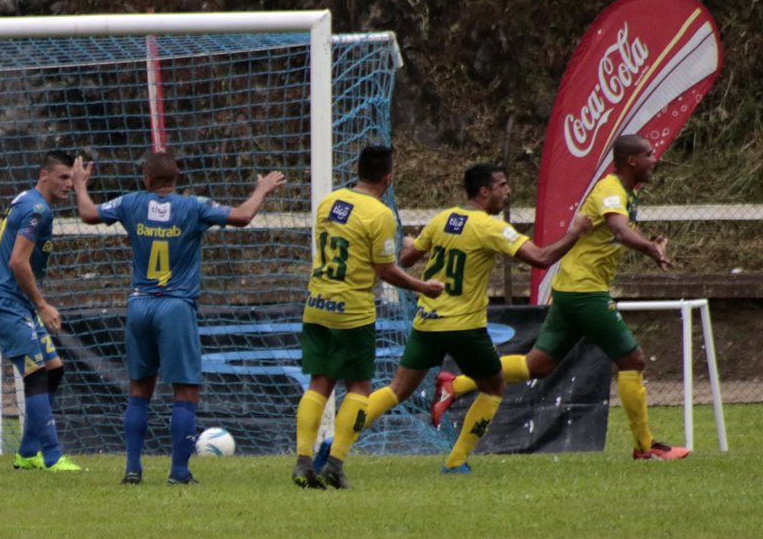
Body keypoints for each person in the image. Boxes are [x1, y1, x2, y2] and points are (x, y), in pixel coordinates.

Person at [430, 135, 690, 461]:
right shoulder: (610, 190)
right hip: (585, 291)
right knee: (632, 360)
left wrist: (649, 245)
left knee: (537, 364)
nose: (657, 159)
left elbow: (618, 233)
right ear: (632, 161)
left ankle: (457, 384)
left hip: (571, 288)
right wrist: (651, 249)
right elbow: (620, 231)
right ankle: (644, 446)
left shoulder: (624, 192)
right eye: (649, 154)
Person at [348, 162, 591, 474]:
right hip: (464, 327)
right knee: (493, 389)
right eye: (502, 185)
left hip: (427, 322)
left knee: (396, 390)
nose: (508, 191)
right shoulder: (490, 227)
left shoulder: (442, 219)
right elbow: (541, 258)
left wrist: (410, 243)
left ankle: (337, 442)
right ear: (484, 191)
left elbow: (406, 258)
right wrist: (576, 233)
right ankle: (455, 462)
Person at [73, 150, 286, 485]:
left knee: (139, 391)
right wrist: (261, 190)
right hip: (175, 306)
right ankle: (179, 472)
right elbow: (243, 216)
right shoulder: (193, 206)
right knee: (185, 392)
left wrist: (79, 185)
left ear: (146, 179)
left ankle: (132, 469)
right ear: (177, 178)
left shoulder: (131, 203)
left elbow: (86, 213)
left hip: (140, 304)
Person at [291, 146, 445, 490]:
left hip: (317, 302)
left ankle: (303, 460)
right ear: (388, 179)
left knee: (319, 383)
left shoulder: (329, 202)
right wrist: (423, 286)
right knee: (359, 388)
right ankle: (335, 463)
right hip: (352, 310)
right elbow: (386, 270)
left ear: (357, 170)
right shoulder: (380, 214)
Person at [0, 150, 82, 473]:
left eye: (72, 178)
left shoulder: (24, 199)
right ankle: (52, 457)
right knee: (37, 374)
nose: (68, 184)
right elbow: (17, 261)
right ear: (44, 175)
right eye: (62, 177)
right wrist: (41, 304)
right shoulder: (38, 209)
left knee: (54, 369)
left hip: (12, 301)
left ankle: (27, 453)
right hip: (8, 305)